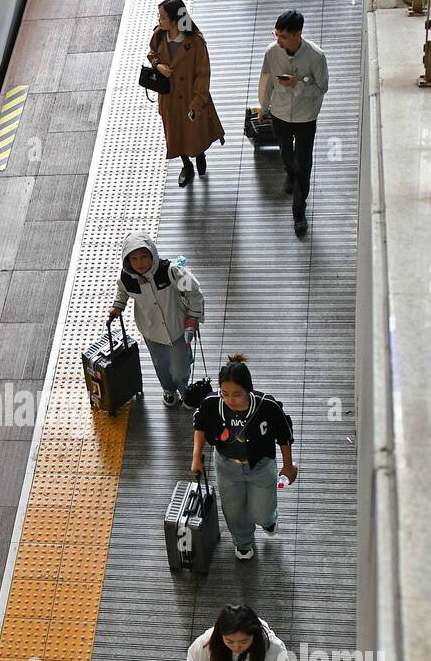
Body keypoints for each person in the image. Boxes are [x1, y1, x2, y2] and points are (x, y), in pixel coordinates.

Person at [191, 355, 296, 559]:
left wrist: (288, 465)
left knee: (262, 511)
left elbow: (284, 435)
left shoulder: (267, 406)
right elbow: (200, 427)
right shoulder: (212, 404)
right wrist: (196, 457)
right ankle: (243, 542)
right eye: (225, 394)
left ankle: (268, 519)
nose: (230, 400)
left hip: (261, 465)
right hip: (226, 466)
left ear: (248, 389)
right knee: (233, 510)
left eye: (237, 394)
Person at [111, 232, 204, 407]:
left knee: (179, 368)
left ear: (152, 254)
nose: (140, 263)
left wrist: (193, 317)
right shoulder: (127, 278)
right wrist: (118, 306)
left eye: (144, 257)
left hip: (178, 329)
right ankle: (168, 390)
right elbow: (122, 292)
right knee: (160, 366)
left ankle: (185, 390)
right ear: (127, 261)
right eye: (134, 259)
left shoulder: (172, 272)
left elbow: (194, 292)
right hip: (151, 331)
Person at [258, 10, 329, 237]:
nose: (278, 40)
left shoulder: (316, 57)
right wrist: (263, 107)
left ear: (298, 34)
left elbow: (322, 88)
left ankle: (299, 210)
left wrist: (297, 85)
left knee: (304, 162)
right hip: (279, 114)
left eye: (283, 36)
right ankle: (289, 171)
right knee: (286, 151)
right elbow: (266, 80)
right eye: (276, 34)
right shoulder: (272, 52)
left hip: (306, 117)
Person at [147, 0, 225, 188]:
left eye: (163, 17)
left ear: (174, 19)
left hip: (191, 98)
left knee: (194, 132)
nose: (159, 20)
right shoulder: (159, 35)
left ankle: (199, 154)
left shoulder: (195, 42)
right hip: (169, 97)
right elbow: (152, 54)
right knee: (176, 133)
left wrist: (198, 100)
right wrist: (158, 66)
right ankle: (186, 165)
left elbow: (203, 73)